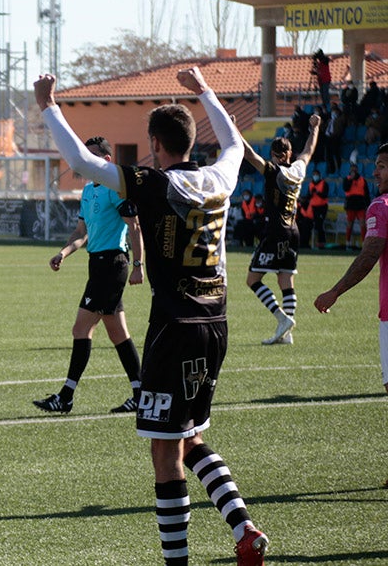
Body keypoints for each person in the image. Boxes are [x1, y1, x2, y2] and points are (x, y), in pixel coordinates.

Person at [35, 67, 269, 566]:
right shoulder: (218, 178)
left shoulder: (154, 182)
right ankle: (243, 526)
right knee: (191, 437)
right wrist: (204, 89)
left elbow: (79, 159)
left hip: (173, 328)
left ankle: (177, 562)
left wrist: (47, 104)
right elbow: (231, 141)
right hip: (216, 325)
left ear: (156, 143)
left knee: (165, 453)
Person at [32, 136, 145, 415]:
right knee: (118, 334)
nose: (85, 161)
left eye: (92, 156)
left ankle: (66, 396)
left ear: (106, 161)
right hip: (98, 264)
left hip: (112, 265)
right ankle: (141, 394)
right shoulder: (88, 192)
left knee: (81, 329)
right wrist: (64, 252)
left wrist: (138, 265)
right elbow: (81, 234)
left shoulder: (113, 189)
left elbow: (135, 226)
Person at [315, 142, 388, 395]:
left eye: (382, 167)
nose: (375, 173)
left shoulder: (381, 206)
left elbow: (368, 256)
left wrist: (335, 291)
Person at [240, 115, 320, 345]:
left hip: (275, 231)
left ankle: (280, 318)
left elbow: (248, 154)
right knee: (286, 281)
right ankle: (287, 332)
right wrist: (315, 127)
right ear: (290, 153)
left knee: (253, 279)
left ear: (274, 155)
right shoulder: (298, 169)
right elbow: (309, 150)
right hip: (293, 231)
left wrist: (234, 129)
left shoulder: (272, 171)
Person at [343, 163, 371, 250]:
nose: (353, 171)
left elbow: (367, 194)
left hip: (360, 204)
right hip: (351, 204)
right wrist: (351, 180)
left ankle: (364, 243)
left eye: (354, 169)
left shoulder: (362, 180)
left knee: (363, 224)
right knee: (349, 224)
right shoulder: (347, 179)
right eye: (352, 169)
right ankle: (348, 243)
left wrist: (368, 205)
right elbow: (346, 188)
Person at [307, 169, 329, 249]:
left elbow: (325, 195)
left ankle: (321, 242)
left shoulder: (324, 184)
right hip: (313, 207)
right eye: (314, 174)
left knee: (320, 224)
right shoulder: (311, 184)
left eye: (316, 174)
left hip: (322, 207)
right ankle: (309, 242)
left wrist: (317, 193)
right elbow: (308, 196)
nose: (315, 176)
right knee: (310, 224)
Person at [311, 49, 331, 113]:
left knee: (325, 95)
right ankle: (324, 107)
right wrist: (315, 72)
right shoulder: (320, 63)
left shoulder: (325, 61)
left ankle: (327, 107)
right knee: (322, 95)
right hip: (321, 80)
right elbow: (319, 71)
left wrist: (317, 58)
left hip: (325, 80)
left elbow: (326, 60)